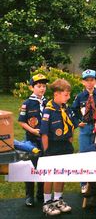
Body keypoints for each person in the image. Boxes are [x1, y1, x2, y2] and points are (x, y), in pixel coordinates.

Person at [40, 79, 77, 216]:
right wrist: (46, 152)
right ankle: (46, 203)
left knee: (61, 173)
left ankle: (58, 200)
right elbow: (44, 134)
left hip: (65, 146)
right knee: (50, 175)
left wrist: (70, 139)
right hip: (52, 147)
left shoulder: (64, 108)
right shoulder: (48, 111)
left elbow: (70, 124)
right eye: (66, 95)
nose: (68, 97)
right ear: (56, 94)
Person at [18, 73, 48, 207]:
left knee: (43, 167)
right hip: (32, 140)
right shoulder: (27, 103)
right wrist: (32, 130)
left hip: (45, 141)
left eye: (44, 86)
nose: (42, 89)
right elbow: (21, 122)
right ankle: (29, 195)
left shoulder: (48, 102)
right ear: (32, 88)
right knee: (31, 167)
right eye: (39, 86)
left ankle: (40, 193)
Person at [71, 69, 96, 193]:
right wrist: (77, 122)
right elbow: (73, 111)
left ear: (95, 81)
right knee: (83, 154)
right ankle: (83, 183)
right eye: (86, 81)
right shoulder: (80, 97)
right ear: (83, 82)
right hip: (85, 128)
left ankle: (95, 183)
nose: (89, 83)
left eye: (91, 80)